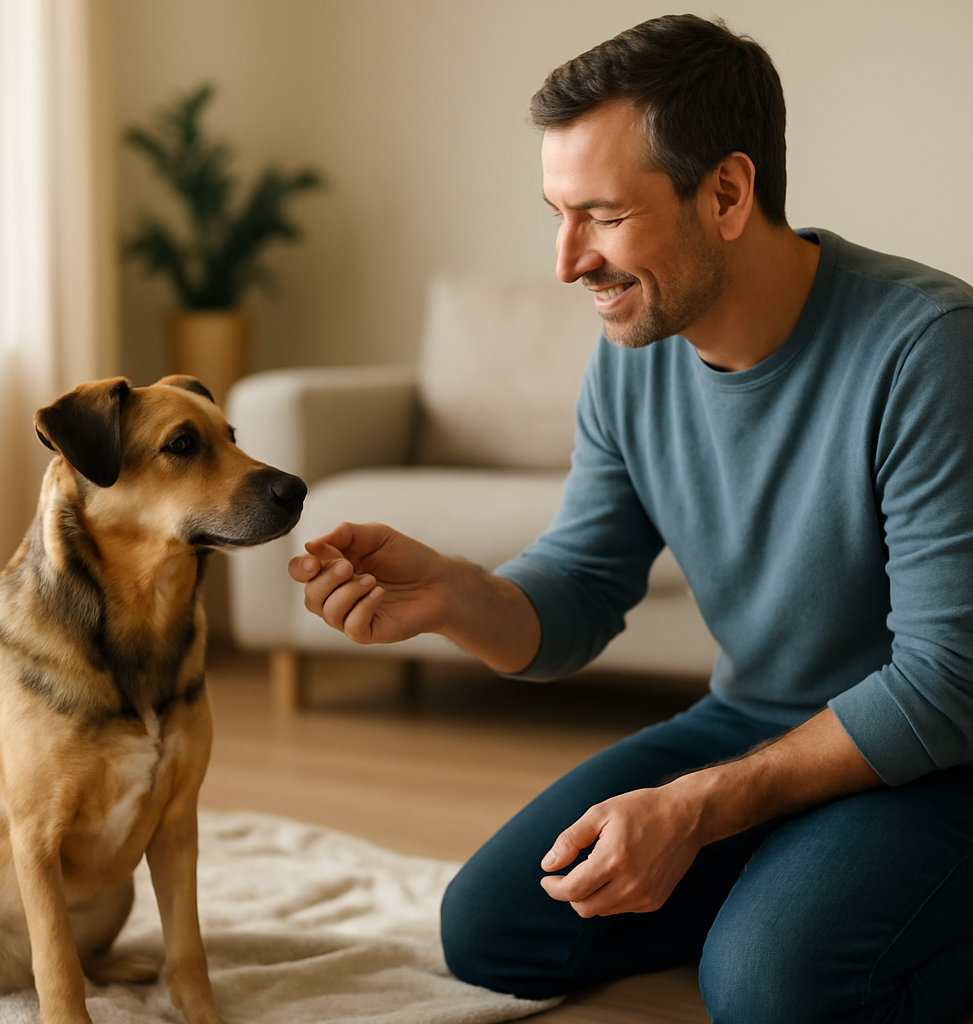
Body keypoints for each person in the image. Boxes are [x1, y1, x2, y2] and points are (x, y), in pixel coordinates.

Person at [289, 14, 973, 1023]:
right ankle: (791, 881)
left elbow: (946, 682)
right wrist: (457, 595)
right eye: (557, 214)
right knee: (491, 928)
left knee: (766, 989)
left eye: (602, 216)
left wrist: (699, 807)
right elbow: (581, 588)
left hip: (937, 756)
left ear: (727, 194)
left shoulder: (927, 351)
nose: (568, 261)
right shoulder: (630, 358)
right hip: (756, 722)